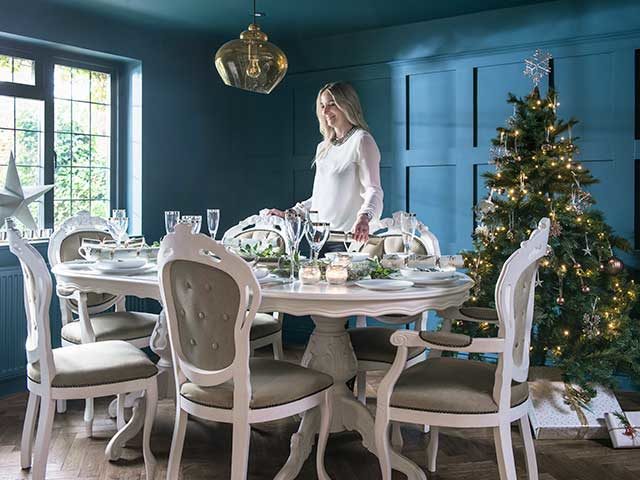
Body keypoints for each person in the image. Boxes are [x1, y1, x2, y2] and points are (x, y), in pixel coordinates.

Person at [269, 81, 383, 251]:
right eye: (322, 105)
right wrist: (292, 213)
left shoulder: (362, 140)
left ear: (347, 105)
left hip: (346, 240)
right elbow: (322, 197)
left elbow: (373, 189)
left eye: (332, 104)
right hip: (317, 238)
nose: (325, 111)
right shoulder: (323, 147)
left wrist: (364, 217)